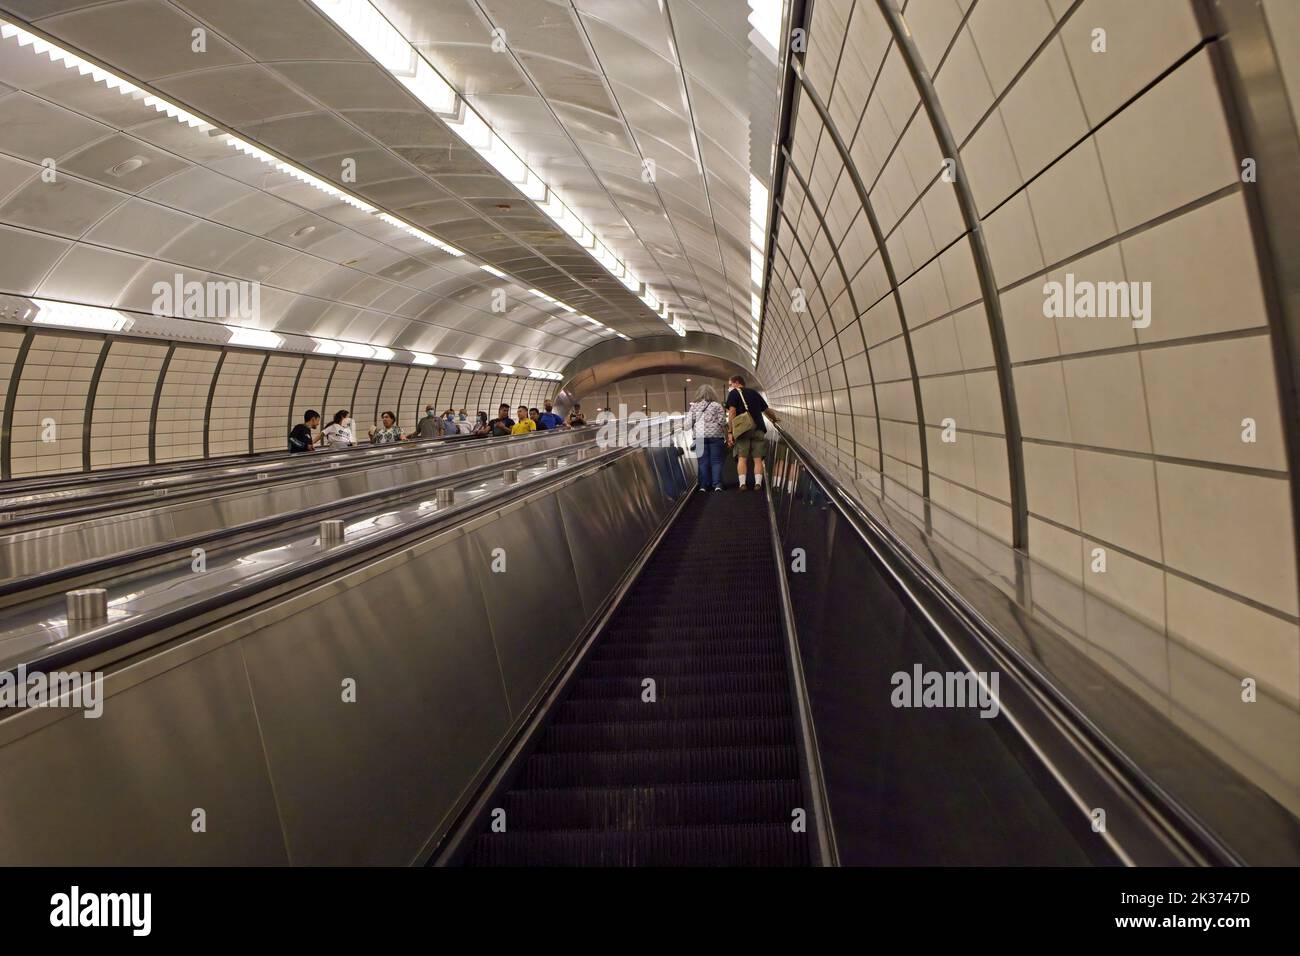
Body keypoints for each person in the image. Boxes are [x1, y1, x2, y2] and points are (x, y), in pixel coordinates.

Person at [724, 375, 779, 491]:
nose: (729, 387)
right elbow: (766, 410)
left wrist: (730, 431)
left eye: (730, 384)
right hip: (758, 428)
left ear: (737, 383)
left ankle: (742, 484)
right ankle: (758, 484)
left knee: (742, 458)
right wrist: (774, 420)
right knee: (758, 458)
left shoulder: (734, 393)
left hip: (743, 431)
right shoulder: (754, 393)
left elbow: (732, 412)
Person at [684, 385, 727, 492]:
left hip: (699, 437)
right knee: (716, 461)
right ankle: (717, 485)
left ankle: (703, 486)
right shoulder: (717, 405)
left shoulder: (694, 407)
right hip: (716, 436)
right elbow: (723, 422)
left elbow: (687, 425)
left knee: (702, 462)